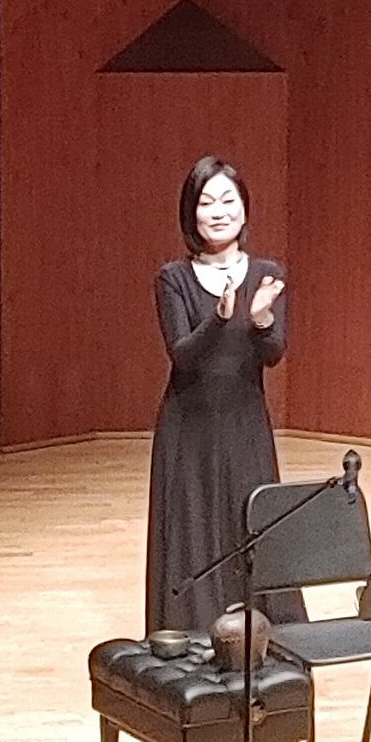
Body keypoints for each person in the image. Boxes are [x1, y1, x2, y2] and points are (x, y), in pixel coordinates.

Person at [144, 157, 305, 637]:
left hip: (245, 424)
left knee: (251, 524)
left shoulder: (267, 273)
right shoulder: (173, 277)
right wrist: (219, 315)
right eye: (206, 202)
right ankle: (194, 640)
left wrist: (261, 318)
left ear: (244, 208)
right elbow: (183, 355)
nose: (218, 212)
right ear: (190, 213)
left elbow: (273, 354)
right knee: (190, 533)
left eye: (227, 200)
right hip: (188, 429)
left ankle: (262, 643)